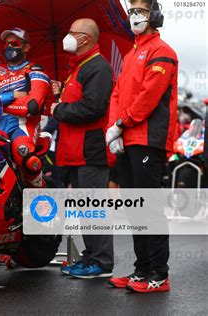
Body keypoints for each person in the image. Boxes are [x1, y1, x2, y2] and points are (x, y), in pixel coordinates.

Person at [106, 0, 177, 293]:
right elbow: (117, 94)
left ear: (155, 15)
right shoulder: (131, 53)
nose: (134, 15)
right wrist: (115, 132)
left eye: (141, 10)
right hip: (128, 140)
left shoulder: (163, 52)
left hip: (149, 140)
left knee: (149, 209)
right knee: (135, 210)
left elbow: (149, 95)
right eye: (132, 10)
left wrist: (121, 123)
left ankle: (159, 275)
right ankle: (141, 271)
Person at [50, 19, 114, 278]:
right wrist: (61, 93)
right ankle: (91, 256)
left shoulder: (98, 67)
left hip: (91, 151)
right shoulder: (77, 68)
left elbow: (93, 107)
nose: (67, 37)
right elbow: (78, 100)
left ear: (85, 39)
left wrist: (59, 109)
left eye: (72, 33)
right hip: (74, 151)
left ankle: (102, 262)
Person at [0, 27, 50, 188]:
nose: (9, 47)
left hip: (23, 125)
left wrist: (0, 101)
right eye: (6, 44)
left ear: (26, 47)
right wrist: (15, 95)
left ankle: (40, 199)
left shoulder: (35, 71)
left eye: (14, 43)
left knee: (25, 155)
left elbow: (32, 106)